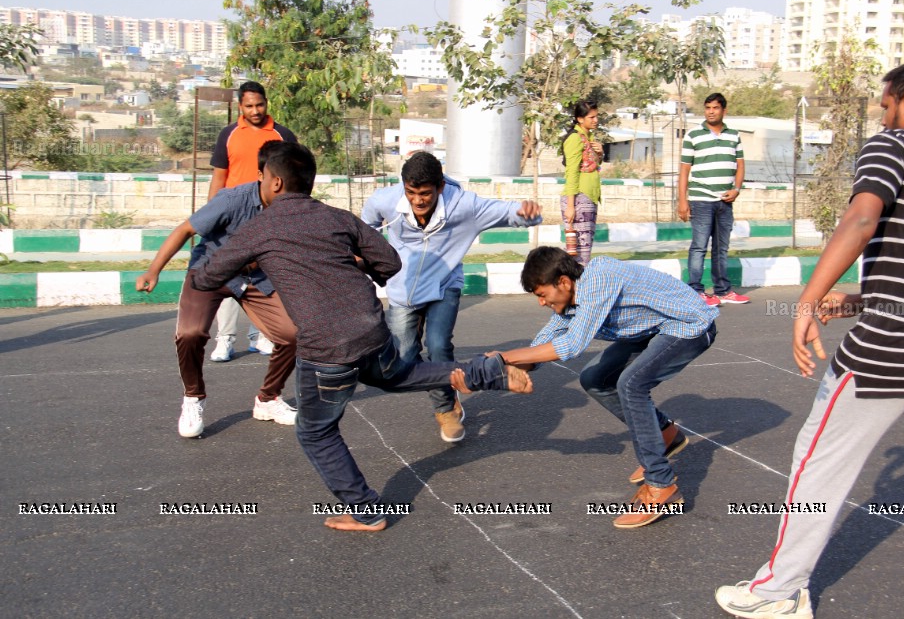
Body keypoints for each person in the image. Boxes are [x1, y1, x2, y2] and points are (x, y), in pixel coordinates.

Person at [715, 59, 904, 618]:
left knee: (819, 466)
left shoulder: (894, 147)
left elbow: (861, 221)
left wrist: (807, 302)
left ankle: (777, 593)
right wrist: (860, 299)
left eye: (886, 107)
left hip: (886, 358)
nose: (883, 117)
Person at [190, 142, 533, 532]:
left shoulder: (259, 228)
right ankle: (489, 372)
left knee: (316, 431)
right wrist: (355, 266)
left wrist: (241, 259)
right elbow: (389, 262)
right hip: (370, 330)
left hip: (326, 349)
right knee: (399, 374)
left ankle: (365, 509)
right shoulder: (338, 218)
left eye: (262, 177)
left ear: (276, 181)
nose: (260, 183)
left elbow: (207, 277)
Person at [480, 246, 717, 529]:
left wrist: (506, 357)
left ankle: (661, 486)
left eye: (542, 295)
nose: (541, 303)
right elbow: (546, 340)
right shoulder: (571, 301)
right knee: (594, 378)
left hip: (688, 326)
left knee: (631, 384)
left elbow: (571, 345)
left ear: (564, 282)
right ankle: (665, 434)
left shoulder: (600, 279)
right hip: (653, 329)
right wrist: (502, 370)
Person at [361, 151, 542, 444]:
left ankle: (445, 408)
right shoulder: (386, 201)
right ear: (403, 186)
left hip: (445, 285)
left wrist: (526, 214)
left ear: (440, 187)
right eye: (411, 193)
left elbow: (506, 211)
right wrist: (374, 258)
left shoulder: (464, 206)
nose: (418, 201)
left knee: (437, 345)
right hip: (402, 290)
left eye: (425, 194)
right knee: (402, 362)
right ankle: (446, 387)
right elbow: (366, 224)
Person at [136, 141, 298, 438]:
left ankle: (268, 399)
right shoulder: (231, 200)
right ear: (272, 179)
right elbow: (186, 229)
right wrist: (153, 269)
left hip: (255, 276)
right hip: (211, 270)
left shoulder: (291, 208)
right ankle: (193, 398)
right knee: (190, 333)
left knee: (292, 334)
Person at [207, 80, 298, 363]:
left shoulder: (283, 135)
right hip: (233, 217)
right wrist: (211, 217)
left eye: (260, 104)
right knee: (229, 277)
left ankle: (263, 336)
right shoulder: (229, 135)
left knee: (268, 277)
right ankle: (225, 340)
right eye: (249, 106)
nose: (255, 110)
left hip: (271, 217)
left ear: (266, 103)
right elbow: (219, 177)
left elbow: (294, 179)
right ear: (240, 106)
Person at [678, 93, 749, 307]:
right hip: (701, 199)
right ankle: (695, 290)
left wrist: (736, 189)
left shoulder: (734, 136)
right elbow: (683, 171)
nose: (711, 111)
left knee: (721, 247)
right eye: (707, 107)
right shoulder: (693, 136)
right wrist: (682, 201)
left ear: (723, 111)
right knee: (699, 246)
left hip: (725, 202)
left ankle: (723, 290)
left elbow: (740, 165)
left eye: (715, 107)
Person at [560, 100, 603, 266]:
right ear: (580, 119)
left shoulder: (588, 138)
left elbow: (591, 166)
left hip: (589, 197)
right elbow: (571, 173)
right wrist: (571, 206)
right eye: (591, 117)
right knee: (579, 255)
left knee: (583, 252)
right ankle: (573, 289)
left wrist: (600, 153)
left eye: (596, 116)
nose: (595, 120)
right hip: (579, 198)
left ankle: (574, 289)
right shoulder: (574, 139)